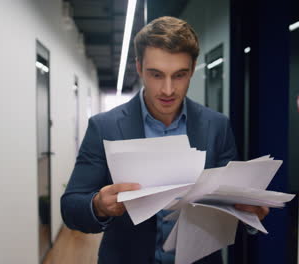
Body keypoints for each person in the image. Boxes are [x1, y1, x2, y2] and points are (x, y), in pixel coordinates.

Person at [61, 16, 269, 264]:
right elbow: (71, 207)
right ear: (139, 68)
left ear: (192, 69)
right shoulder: (104, 126)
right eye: (156, 75)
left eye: (179, 75)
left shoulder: (217, 126)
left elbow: (230, 202)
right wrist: (98, 205)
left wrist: (249, 213)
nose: (168, 90)